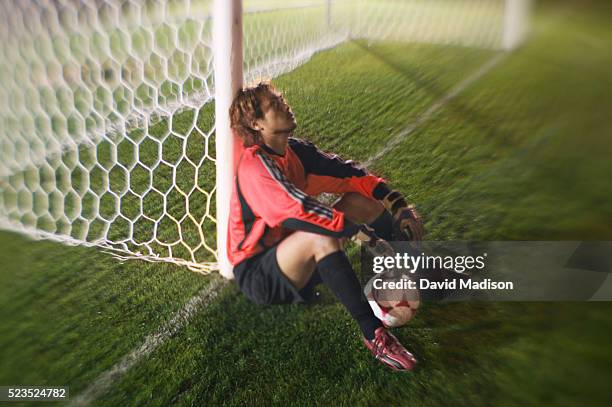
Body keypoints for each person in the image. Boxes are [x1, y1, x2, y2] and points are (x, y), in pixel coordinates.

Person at [227, 82, 424, 371]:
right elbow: (297, 210)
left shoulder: (296, 153)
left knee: (361, 202)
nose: (285, 104)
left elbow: (350, 174)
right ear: (257, 123)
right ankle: (375, 335)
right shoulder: (254, 167)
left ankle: (405, 267)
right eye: (274, 104)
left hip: (298, 253)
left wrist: (398, 204)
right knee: (319, 234)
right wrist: (362, 235)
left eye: (281, 98)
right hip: (260, 273)